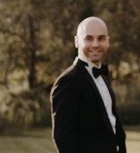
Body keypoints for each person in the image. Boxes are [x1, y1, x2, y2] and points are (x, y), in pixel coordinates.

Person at [50, 16, 126, 153]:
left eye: (101, 38)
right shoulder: (67, 81)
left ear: (108, 41)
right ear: (76, 41)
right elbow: (63, 137)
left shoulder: (104, 75)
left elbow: (112, 123)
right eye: (89, 38)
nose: (96, 44)